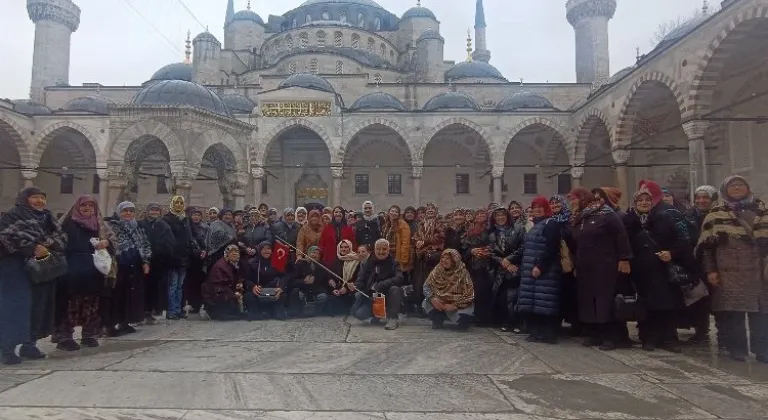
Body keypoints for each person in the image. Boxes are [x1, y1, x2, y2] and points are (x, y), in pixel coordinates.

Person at [698, 175, 768, 363]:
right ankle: (737, 349)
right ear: (725, 190)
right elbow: (707, 248)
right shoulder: (716, 213)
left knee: (761, 313)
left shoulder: (762, 210)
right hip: (729, 271)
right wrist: (711, 270)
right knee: (734, 314)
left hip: (758, 269)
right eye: (733, 185)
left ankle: (762, 350)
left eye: (741, 185)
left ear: (748, 188)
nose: (737, 188)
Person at [624, 181, 694, 353]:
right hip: (641, 271)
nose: (644, 203)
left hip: (662, 269)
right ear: (635, 203)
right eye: (640, 200)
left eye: (647, 200)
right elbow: (624, 244)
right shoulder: (629, 220)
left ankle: (667, 338)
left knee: (666, 304)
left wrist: (671, 253)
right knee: (645, 305)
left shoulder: (664, 218)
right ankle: (648, 338)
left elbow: (682, 241)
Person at [0, 187, 67, 365]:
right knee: (15, 309)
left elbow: (61, 238)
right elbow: (6, 238)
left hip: (43, 267)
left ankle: (29, 345)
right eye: (35, 197)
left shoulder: (48, 217)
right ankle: (7, 349)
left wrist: (46, 245)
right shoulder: (12, 216)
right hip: (16, 269)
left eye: (42, 197)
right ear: (24, 199)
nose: (40, 201)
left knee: (39, 307)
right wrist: (32, 248)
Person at [568, 187, 632, 351]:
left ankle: (610, 336)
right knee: (589, 300)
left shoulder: (606, 213)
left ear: (583, 198)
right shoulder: (580, 218)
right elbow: (576, 244)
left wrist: (624, 258)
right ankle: (595, 333)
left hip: (605, 265)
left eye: (573, 198)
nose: (571, 202)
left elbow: (621, 235)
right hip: (585, 266)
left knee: (605, 300)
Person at [54, 195, 114, 351]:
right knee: (70, 303)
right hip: (71, 268)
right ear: (77, 207)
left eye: (91, 206)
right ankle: (65, 336)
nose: (88, 209)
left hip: (93, 269)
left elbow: (114, 241)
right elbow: (55, 242)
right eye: (84, 206)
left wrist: (107, 242)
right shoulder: (68, 224)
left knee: (92, 302)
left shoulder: (99, 224)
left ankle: (88, 334)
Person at [513, 197, 563, 344]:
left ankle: (548, 333)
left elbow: (551, 248)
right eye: (534, 207)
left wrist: (541, 266)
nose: (537, 210)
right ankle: (536, 332)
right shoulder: (534, 225)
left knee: (546, 302)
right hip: (530, 270)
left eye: (540, 207)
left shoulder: (550, 223)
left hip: (545, 271)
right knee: (534, 302)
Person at [105, 201, 151, 337]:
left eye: (131, 211)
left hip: (134, 266)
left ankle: (125, 322)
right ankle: (110, 325)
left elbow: (145, 244)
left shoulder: (137, 227)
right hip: (118, 265)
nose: (128, 214)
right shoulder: (112, 226)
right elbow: (111, 244)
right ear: (119, 212)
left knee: (130, 295)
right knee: (116, 296)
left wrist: (145, 260)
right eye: (125, 211)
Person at [686, 185, 718, 344]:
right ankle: (701, 331)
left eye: (705, 197)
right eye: (698, 197)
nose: (701, 201)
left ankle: (723, 334)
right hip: (696, 262)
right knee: (699, 298)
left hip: (716, 262)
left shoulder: (719, 214)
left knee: (718, 299)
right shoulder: (689, 216)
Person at [351, 239, 405, 330]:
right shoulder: (366, 264)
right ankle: (377, 315)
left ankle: (393, 318)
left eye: (384, 249)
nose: (381, 252)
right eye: (378, 249)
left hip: (387, 296)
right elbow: (360, 282)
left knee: (395, 289)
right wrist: (354, 286)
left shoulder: (394, 263)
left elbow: (399, 278)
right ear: (374, 250)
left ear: (388, 250)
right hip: (371, 297)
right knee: (359, 314)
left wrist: (380, 285)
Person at [162, 196, 200, 320]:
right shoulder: (167, 219)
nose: (178, 205)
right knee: (172, 285)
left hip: (184, 257)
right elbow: (168, 239)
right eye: (176, 202)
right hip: (173, 257)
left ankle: (178, 309)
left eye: (181, 202)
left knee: (180, 285)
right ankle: (171, 310)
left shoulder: (185, 219)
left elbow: (189, 237)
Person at [139, 203, 176, 322]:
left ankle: (150, 311)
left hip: (158, 262)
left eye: (156, 210)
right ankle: (140, 311)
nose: (154, 212)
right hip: (142, 261)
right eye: (152, 210)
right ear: (147, 211)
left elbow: (170, 243)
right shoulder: (140, 224)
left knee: (154, 288)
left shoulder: (164, 226)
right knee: (142, 287)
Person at [423, 249, 474, 330]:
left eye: (447, 258)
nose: (444, 260)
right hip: (440, 302)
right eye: (443, 257)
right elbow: (426, 286)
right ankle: (438, 320)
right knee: (427, 302)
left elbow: (469, 294)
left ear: (454, 260)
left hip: (457, 304)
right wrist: (432, 298)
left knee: (464, 320)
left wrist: (455, 305)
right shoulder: (437, 270)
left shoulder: (462, 272)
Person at [244, 242, 288, 320]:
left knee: (283, 293)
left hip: (273, 290)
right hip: (259, 291)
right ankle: (256, 313)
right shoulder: (252, 263)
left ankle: (276, 311)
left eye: (268, 248)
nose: (266, 251)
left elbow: (283, 277)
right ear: (259, 250)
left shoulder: (277, 261)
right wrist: (253, 286)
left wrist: (280, 287)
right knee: (248, 295)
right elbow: (247, 279)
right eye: (263, 249)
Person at [412, 202, 445, 308]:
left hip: (434, 256)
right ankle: (421, 306)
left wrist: (424, 242)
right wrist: (417, 241)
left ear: (436, 211)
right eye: (428, 209)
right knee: (421, 282)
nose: (430, 210)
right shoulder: (421, 224)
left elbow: (440, 237)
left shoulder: (440, 222)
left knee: (433, 281)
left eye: (432, 209)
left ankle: (433, 306)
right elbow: (415, 236)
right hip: (421, 256)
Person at [201, 244, 244, 320]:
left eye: (236, 252)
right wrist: (233, 294)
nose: (234, 254)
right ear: (226, 254)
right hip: (215, 298)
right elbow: (218, 287)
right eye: (231, 252)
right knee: (232, 311)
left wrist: (238, 285)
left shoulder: (234, 264)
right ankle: (211, 312)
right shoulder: (220, 267)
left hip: (226, 293)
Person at [290, 246, 331, 316]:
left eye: (318, 254)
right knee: (297, 294)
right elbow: (293, 280)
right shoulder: (301, 264)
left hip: (317, 290)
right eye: (313, 252)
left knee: (323, 296)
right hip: (304, 289)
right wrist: (303, 281)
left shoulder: (323, 265)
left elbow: (325, 280)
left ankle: (317, 310)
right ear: (308, 253)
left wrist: (329, 280)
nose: (315, 255)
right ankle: (301, 310)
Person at [185, 206, 208, 314]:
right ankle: (193, 304)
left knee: (201, 281)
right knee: (192, 282)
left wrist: (205, 250)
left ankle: (201, 302)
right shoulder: (187, 227)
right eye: (194, 215)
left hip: (203, 258)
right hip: (192, 258)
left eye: (198, 215)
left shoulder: (205, 227)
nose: (196, 217)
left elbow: (207, 241)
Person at [331, 239, 362, 314]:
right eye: (341, 247)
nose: (343, 249)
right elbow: (333, 277)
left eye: (346, 247)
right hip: (339, 288)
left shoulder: (356, 259)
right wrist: (334, 289)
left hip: (352, 287)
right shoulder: (336, 260)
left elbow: (357, 276)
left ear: (350, 248)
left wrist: (346, 287)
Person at [380, 205, 411, 271]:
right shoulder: (385, 225)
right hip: (385, 255)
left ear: (399, 214)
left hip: (397, 257)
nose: (393, 213)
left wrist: (403, 260)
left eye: (396, 212)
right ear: (389, 212)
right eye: (392, 211)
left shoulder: (403, 224)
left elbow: (405, 243)